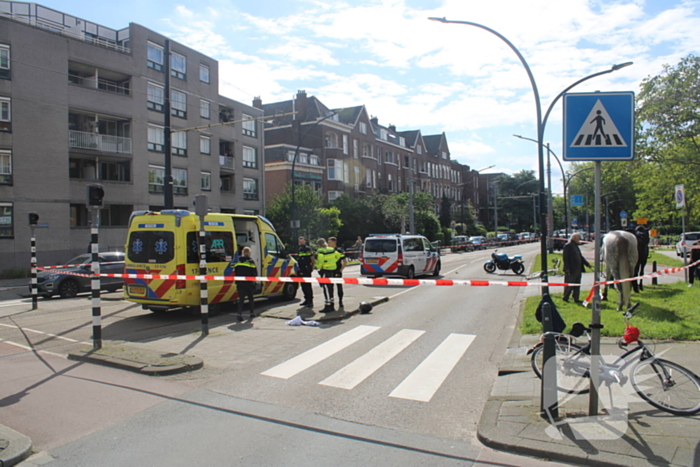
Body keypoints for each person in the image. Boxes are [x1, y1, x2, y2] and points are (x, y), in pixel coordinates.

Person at [315, 238, 344, 313]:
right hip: (332, 269)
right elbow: (338, 256)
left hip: (324, 270)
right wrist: (333, 262)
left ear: (318, 245)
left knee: (326, 289)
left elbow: (320, 260)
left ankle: (328, 306)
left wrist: (318, 267)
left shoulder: (320, 250)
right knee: (330, 288)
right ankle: (332, 304)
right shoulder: (331, 249)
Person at [562, 232, 591, 303]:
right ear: (574, 238)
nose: (580, 240)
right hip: (571, 269)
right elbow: (565, 258)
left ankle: (576, 298)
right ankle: (565, 297)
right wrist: (567, 268)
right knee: (570, 284)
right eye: (578, 238)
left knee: (577, 284)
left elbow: (580, 257)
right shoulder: (568, 246)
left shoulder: (576, 246)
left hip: (578, 268)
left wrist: (587, 264)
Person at [234, 246, 257, 321]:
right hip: (249, 283)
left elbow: (236, 272)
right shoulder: (251, 261)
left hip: (240, 283)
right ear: (248, 253)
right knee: (251, 298)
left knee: (241, 299)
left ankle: (239, 314)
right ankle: (252, 313)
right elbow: (254, 273)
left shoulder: (238, 261)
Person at [328, 237, 347, 308]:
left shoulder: (339, 250)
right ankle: (331, 302)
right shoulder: (328, 250)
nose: (328, 244)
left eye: (330, 242)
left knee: (339, 286)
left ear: (334, 242)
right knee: (330, 287)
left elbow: (345, 261)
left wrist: (341, 269)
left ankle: (340, 301)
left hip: (337, 270)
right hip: (329, 271)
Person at [296, 236, 315, 306]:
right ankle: (306, 299)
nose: (300, 242)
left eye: (302, 241)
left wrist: (311, 268)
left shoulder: (308, 249)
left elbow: (312, 259)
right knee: (303, 285)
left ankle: (310, 301)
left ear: (305, 241)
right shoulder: (299, 249)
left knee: (308, 285)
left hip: (307, 269)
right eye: (299, 241)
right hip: (301, 269)